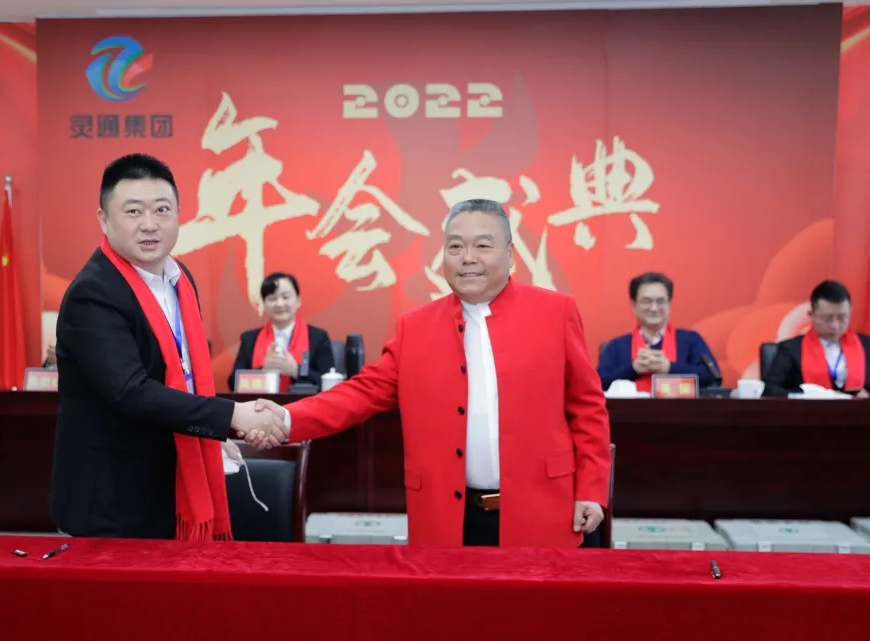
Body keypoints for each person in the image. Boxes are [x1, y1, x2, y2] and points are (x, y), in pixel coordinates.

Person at [250, 199, 611, 547]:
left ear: (511, 254)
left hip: (543, 513)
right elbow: (359, 393)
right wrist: (285, 418)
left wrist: (592, 489)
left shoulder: (555, 312)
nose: (467, 257)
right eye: (455, 246)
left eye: (483, 245)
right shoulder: (416, 327)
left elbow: (588, 407)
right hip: (449, 521)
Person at [49, 153, 287, 540]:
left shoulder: (179, 279)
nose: (149, 224)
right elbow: (131, 392)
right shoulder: (93, 293)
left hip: (166, 484)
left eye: (162, 210)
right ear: (104, 220)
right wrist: (231, 416)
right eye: (133, 211)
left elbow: (184, 377)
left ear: (178, 215)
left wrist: (210, 435)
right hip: (111, 502)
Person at [763, 280, 870, 397]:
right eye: (827, 319)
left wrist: (868, 396)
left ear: (850, 312)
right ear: (811, 315)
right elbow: (769, 389)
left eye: (842, 318)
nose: (835, 326)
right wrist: (804, 395)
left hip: (858, 412)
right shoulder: (791, 349)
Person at [597, 272, 718, 391]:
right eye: (647, 301)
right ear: (633, 305)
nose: (654, 308)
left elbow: (713, 377)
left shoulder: (690, 340)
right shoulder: (617, 346)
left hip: (680, 405)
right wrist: (633, 369)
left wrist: (669, 368)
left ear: (669, 304)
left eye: (660, 301)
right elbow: (599, 382)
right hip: (633, 405)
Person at [227, 272, 336, 391]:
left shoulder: (318, 337)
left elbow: (329, 384)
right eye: (272, 298)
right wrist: (263, 371)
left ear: (298, 301)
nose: (279, 304)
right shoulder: (249, 339)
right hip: (260, 402)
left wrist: (296, 371)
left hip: (304, 402)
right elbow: (234, 383)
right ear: (264, 304)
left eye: (285, 297)